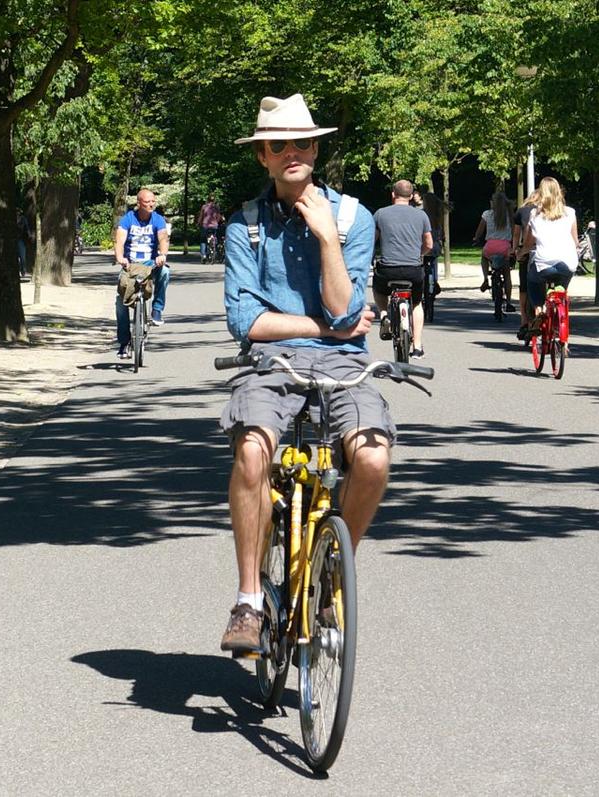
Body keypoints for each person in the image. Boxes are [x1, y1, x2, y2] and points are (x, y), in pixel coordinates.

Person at [218, 93, 386, 653]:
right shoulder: (245, 224)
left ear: (316, 148)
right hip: (271, 363)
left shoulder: (351, 217)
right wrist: (328, 327)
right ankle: (248, 600)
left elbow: (346, 310)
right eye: (278, 144)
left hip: (347, 365)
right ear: (262, 155)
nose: (292, 152)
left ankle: (335, 567)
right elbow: (244, 320)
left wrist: (327, 239)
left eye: (303, 142)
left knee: (372, 458)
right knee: (252, 452)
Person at [372, 179, 433, 357]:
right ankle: (418, 346)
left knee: (378, 289)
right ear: (412, 196)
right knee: (416, 303)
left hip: (388, 268)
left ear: (393, 194)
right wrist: (419, 253)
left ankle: (384, 314)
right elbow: (428, 243)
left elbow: (372, 240)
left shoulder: (380, 214)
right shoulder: (421, 215)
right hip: (413, 269)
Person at [113, 188, 170, 358]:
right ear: (139, 203)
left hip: (152, 264)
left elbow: (163, 238)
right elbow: (119, 241)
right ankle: (124, 342)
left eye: (153, 201)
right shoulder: (128, 219)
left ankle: (157, 309)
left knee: (165, 273)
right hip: (131, 265)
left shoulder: (158, 220)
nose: (151, 204)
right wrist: (120, 258)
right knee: (119, 301)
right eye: (147, 202)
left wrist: (162, 255)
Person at [521, 177, 577, 328]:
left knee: (532, 280)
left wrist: (521, 252)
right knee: (562, 288)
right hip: (567, 263)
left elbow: (528, 243)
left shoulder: (534, 214)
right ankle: (564, 336)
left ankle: (539, 311)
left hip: (544, 264)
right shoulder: (570, 213)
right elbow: (575, 241)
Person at [473, 191, 516, 312]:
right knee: (507, 275)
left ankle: (486, 279)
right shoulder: (510, 215)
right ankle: (508, 302)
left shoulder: (487, 214)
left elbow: (480, 231)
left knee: (483, 257)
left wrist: (476, 238)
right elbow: (514, 231)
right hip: (505, 248)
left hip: (490, 247)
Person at [512, 188, 540, 338]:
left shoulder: (521, 211)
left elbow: (517, 234)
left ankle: (523, 319)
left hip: (528, 252)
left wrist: (514, 249)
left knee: (524, 286)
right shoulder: (547, 212)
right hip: (543, 250)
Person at [197, 196, 223, 262]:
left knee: (203, 240)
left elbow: (201, 216)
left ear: (207, 200)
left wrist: (199, 223)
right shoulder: (216, 207)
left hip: (205, 225)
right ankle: (216, 251)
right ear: (214, 200)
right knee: (215, 237)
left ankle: (203, 255)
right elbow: (219, 216)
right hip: (214, 225)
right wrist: (216, 222)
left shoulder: (204, 207)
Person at [16, 209, 30, 277]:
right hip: (13, 239)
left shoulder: (23, 219)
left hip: (21, 239)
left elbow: (27, 228)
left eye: (18, 212)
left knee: (22, 257)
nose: (17, 213)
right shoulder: (11, 219)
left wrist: (29, 235)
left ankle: (23, 271)